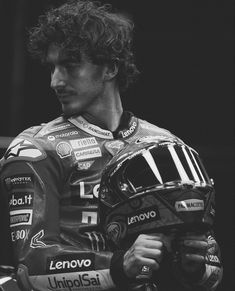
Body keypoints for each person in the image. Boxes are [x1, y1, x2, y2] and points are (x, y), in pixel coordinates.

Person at [0, 0, 223, 290]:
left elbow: (212, 270)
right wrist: (121, 266)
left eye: (69, 65)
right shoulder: (36, 149)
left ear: (110, 68)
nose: (55, 81)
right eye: (52, 67)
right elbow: (31, 268)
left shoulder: (167, 146)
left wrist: (192, 267)